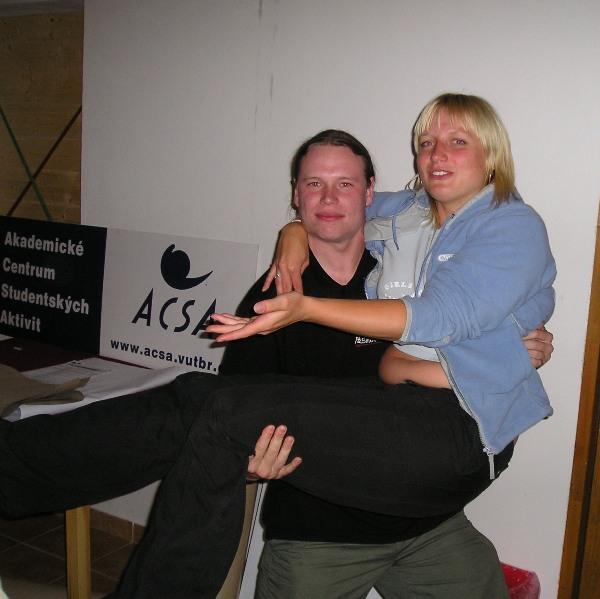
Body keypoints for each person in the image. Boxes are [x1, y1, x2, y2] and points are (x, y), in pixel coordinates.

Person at [0, 93, 555, 598]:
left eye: (458, 141)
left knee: (215, 408)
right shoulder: (409, 221)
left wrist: (308, 308)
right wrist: (292, 234)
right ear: (297, 194)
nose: (436, 154)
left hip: (442, 466)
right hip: (328, 521)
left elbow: (443, 316)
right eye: (427, 142)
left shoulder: (507, 225)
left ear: (492, 154)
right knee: (205, 400)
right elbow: (349, 213)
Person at [219, 129, 554, 599]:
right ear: (296, 195)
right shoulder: (269, 302)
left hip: (426, 523)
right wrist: (255, 465)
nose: (329, 198)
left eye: (345, 183)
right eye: (314, 184)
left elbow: (470, 317)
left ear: (370, 193)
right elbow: (232, 421)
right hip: (320, 534)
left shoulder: (410, 273)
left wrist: (517, 349)